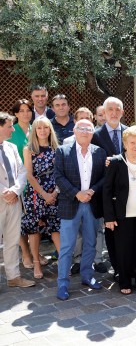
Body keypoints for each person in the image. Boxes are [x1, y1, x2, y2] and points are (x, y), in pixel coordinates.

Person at [54, 119, 107, 300]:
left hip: (92, 204)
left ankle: (87, 276)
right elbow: (58, 177)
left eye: (88, 129)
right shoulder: (62, 151)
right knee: (67, 247)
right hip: (71, 204)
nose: (85, 132)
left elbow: (104, 178)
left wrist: (92, 190)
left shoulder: (100, 152)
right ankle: (62, 283)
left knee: (91, 243)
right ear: (74, 131)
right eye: (81, 128)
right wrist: (77, 193)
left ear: (93, 133)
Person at [103, 126, 136, 295]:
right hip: (122, 215)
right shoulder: (115, 162)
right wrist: (109, 217)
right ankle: (124, 281)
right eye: (132, 142)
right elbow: (107, 191)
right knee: (124, 250)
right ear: (125, 144)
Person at [65, 108, 108, 274]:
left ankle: (97, 259)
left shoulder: (97, 140)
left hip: (95, 193)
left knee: (97, 228)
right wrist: (76, 192)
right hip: (75, 194)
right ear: (75, 122)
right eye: (80, 119)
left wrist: (93, 190)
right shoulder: (67, 143)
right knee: (78, 230)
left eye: (87, 119)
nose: (84, 127)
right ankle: (78, 259)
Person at [91, 96, 127, 280]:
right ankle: (117, 267)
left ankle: (128, 264)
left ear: (122, 111)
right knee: (111, 231)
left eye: (117, 109)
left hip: (129, 192)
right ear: (103, 113)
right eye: (110, 109)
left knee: (127, 230)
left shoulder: (130, 132)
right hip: (106, 192)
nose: (114, 113)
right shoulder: (95, 136)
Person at [22, 117, 61, 279]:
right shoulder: (29, 148)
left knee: (56, 227)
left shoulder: (57, 148)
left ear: (50, 129)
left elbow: (61, 173)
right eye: (39, 128)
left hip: (55, 192)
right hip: (35, 194)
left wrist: (55, 192)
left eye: (46, 127)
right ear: (35, 131)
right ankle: (37, 263)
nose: (43, 131)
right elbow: (29, 175)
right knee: (34, 228)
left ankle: (64, 260)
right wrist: (44, 194)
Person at [0, 112, 34, 288]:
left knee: (13, 240)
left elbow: (22, 171)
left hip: (14, 200)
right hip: (1, 200)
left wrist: (15, 190)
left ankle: (13, 277)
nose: (13, 129)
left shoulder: (11, 147)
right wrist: (4, 192)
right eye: (9, 126)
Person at [8, 99, 43, 270]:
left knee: (33, 219)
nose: (25, 113)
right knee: (21, 219)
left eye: (28, 110)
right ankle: (25, 253)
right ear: (15, 114)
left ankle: (36, 251)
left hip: (35, 181)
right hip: (17, 181)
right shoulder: (11, 132)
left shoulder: (35, 129)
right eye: (21, 111)